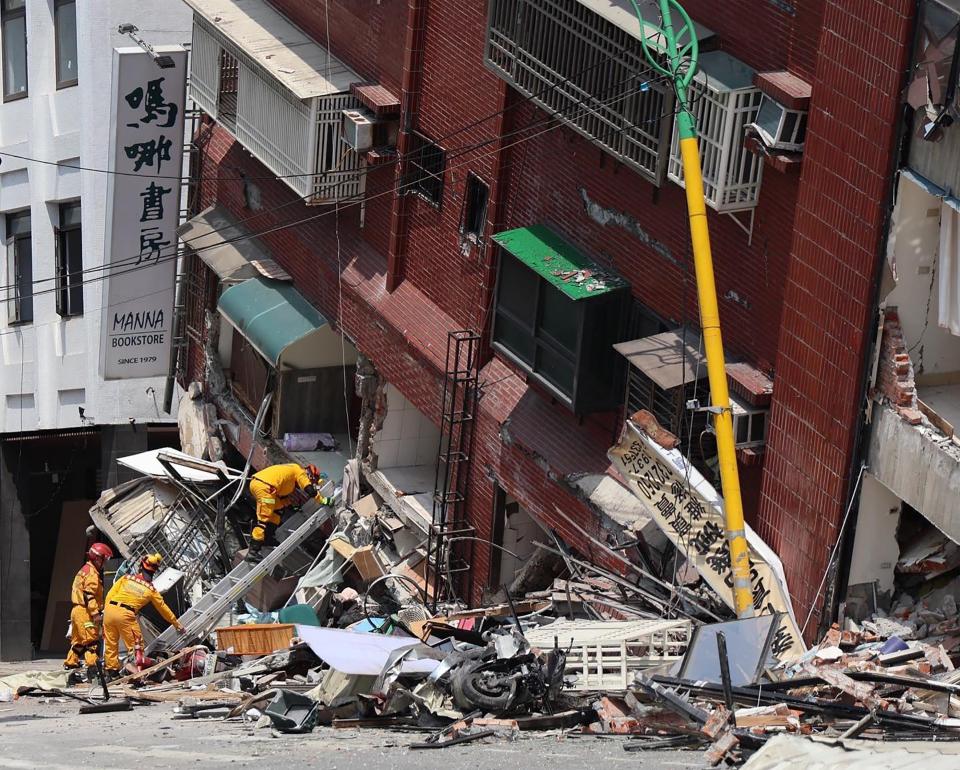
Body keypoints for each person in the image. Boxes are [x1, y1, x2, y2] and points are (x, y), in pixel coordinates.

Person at [102, 553, 185, 679]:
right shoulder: (151, 589)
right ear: (155, 571)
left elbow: (109, 595)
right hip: (126, 614)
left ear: (141, 566)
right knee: (136, 647)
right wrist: (177, 625)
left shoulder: (126, 578)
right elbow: (163, 609)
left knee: (111, 644)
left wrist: (107, 611)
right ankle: (137, 674)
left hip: (109, 611)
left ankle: (111, 673)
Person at [246, 463, 333, 561]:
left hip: (264, 485)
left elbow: (282, 490)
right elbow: (310, 490)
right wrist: (323, 500)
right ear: (310, 476)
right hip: (266, 488)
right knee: (264, 519)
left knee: (277, 511)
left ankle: (267, 538)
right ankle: (253, 552)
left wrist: (290, 505)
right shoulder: (300, 473)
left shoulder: (292, 470)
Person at [63, 543, 113, 680]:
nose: (104, 564)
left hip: (77, 611)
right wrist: (96, 614)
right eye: (104, 560)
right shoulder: (92, 574)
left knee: (79, 642)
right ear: (98, 558)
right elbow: (89, 595)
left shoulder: (85, 569)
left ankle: (70, 663)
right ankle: (94, 669)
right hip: (85, 612)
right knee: (92, 643)